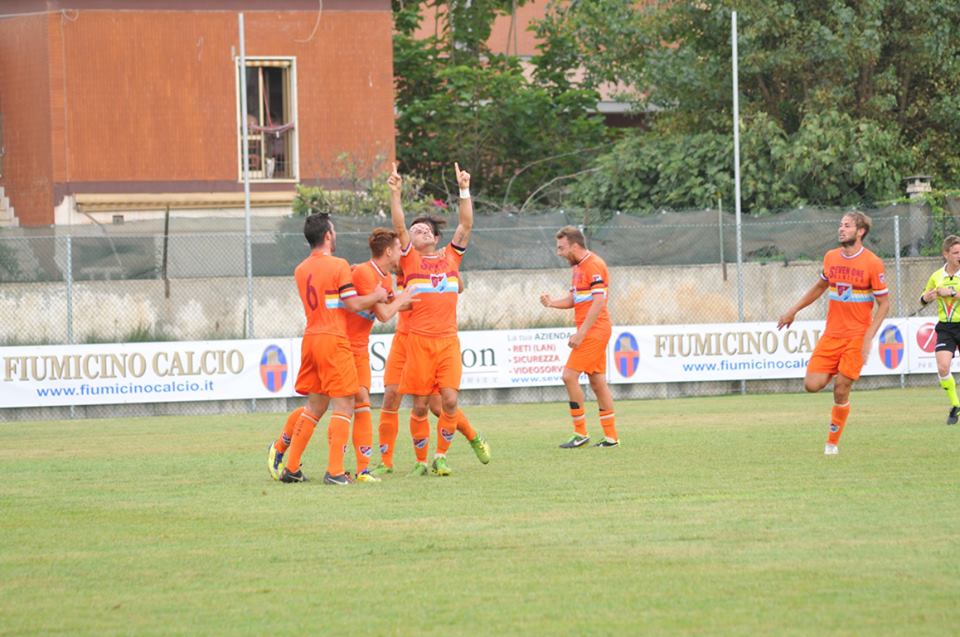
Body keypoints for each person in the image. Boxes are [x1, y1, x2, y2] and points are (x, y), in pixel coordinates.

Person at [266, 212, 387, 485]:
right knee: (345, 402)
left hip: (310, 339)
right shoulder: (338, 265)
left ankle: (292, 467)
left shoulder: (300, 269)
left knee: (315, 404)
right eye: (334, 230)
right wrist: (378, 296)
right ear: (328, 235)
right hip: (334, 339)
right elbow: (352, 304)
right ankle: (334, 471)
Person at [387, 162, 491, 476]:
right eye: (414, 230)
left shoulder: (450, 257)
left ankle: (440, 456)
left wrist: (463, 189)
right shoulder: (409, 258)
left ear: (434, 237)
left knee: (447, 400)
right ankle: (420, 461)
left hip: (447, 340)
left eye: (424, 230)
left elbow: (466, 225)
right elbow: (399, 226)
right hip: (418, 341)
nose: (416, 232)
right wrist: (395, 194)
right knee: (420, 406)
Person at [777, 211, 890, 454]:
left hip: (857, 336)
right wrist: (792, 310)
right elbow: (820, 287)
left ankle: (832, 443)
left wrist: (869, 337)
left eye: (847, 226)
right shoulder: (831, 257)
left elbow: (885, 304)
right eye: (840, 225)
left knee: (841, 388)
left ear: (860, 232)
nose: (841, 229)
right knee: (811, 384)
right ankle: (840, 373)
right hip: (832, 335)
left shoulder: (872, 263)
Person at [343, 228, 414, 482]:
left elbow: (397, 303)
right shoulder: (364, 272)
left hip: (361, 348)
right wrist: (402, 298)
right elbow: (385, 314)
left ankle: (362, 470)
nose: (400, 255)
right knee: (325, 405)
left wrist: (419, 294)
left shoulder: (385, 279)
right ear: (388, 251)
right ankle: (286, 447)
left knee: (362, 403)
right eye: (398, 249)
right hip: (343, 347)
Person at [540, 226, 619, 448]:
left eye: (562, 247)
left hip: (595, 331)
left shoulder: (594, 265)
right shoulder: (578, 268)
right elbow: (575, 300)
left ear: (575, 245)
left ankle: (580, 433)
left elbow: (599, 301)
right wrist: (552, 303)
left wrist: (581, 332)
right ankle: (611, 437)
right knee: (597, 382)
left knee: (569, 376)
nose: (559, 252)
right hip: (592, 330)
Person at [919, 234, 960, 425]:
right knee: (943, 366)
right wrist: (926, 298)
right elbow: (923, 298)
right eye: (956, 252)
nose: (959, 255)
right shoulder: (937, 276)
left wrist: (951, 293)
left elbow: (952, 294)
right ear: (946, 254)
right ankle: (956, 406)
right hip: (946, 327)